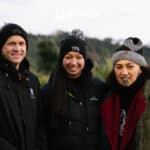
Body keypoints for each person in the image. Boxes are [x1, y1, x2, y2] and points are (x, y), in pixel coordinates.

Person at [40, 29, 106, 150]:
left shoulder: (99, 87)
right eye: (68, 57)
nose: (73, 62)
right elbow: (42, 131)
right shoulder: (48, 91)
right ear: (61, 59)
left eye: (78, 57)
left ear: (84, 60)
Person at [100, 37, 150, 150]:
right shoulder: (107, 96)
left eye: (130, 66)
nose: (124, 72)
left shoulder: (148, 95)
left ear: (140, 69)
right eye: (119, 67)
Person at [0, 23, 40, 150]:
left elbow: (41, 122)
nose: (17, 48)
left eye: (21, 44)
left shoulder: (32, 81)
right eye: (11, 43)